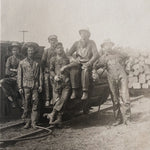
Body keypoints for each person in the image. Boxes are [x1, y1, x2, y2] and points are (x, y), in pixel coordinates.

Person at [93, 39, 131, 125]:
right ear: (103, 47)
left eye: (109, 45)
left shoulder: (119, 53)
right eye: (106, 45)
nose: (108, 47)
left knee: (125, 97)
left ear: (111, 45)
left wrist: (128, 67)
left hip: (122, 77)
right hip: (111, 78)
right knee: (115, 99)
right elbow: (95, 66)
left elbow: (129, 57)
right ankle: (118, 119)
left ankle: (127, 119)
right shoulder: (103, 58)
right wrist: (95, 74)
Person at [67, 28, 99, 100]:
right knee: (73, 70)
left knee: (85, 71)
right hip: (78, 62)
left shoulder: (92, 43)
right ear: (80, 34)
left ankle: (85, 91)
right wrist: (72, 59)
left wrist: (89, 62)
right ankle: (74, 90)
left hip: (87, 62)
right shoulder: (76, 43)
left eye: (85, 33)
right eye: (82, 33)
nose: (83, 35)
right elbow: (68, 54)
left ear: (88, 35)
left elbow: (96, 55)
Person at [44, 42, 71, 125]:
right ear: (55, 50)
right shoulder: (52, 59)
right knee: (57, 100)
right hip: (56, 83)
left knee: (64, 99)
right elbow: (51, 70)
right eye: (58, 48)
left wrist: (66, 66)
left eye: (61, 47)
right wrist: (54, 76)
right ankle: (58, 119)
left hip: (66, 82)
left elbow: (75, 63)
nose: (60, 49)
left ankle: (52, 114)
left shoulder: (67, 58)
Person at [17, 42, 43, 129]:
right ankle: (27, 122)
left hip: (35, 85)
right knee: (27, 103)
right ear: (27, 52)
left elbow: (40, 75)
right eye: (29, 50)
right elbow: (19, 75)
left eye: (32, 50)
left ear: (34, 52)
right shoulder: (22, 63)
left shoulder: (37, 63)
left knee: (35, 102)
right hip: (26, 86)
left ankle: (34, 122)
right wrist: (20, 87)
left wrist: (40, 85)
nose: (31, 52)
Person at [0, 42, 21, 107]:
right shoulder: (9, 59)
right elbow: (7, 71)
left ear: (19, 50)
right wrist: (16, 71)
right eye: (13, 50)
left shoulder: (22, 58)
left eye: (16, 50)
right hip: (12, 78)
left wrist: (13, 70)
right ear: (12, 51)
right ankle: (12, 100)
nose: (15, 51)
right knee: (2, 82)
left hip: (21, 78)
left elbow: (23, 69)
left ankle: (21, 102)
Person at [41, 35, 58, 106]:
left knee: (57, 80)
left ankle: (55, 99)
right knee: (46, 79)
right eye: (51, 40)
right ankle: (47, 99)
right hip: (48, 70)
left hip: (57, 70)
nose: (53, 42)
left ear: (56, 41)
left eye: (54, 40)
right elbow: (43, 62)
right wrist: (45, 69)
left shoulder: (59, 50)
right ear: (49, 41)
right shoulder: (46, 51)